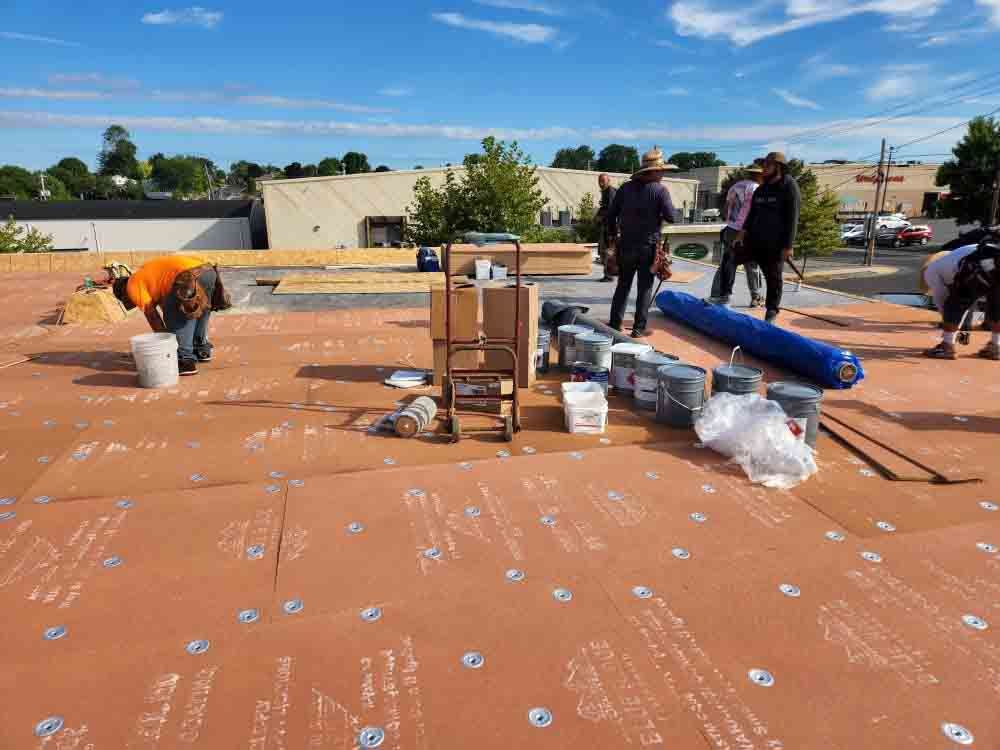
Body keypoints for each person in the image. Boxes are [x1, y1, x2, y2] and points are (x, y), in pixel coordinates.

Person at [718, 151, 800, 323]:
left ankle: (771, 312)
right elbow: (752, 214)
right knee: (730, 257)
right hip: (754, 240)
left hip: (775, 244)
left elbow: (793, 216)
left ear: (777, 167)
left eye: (767, 165)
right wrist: (742, 233)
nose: (763, 169)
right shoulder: (761, 189)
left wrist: (788, 246)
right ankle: (724, 297)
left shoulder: (788, 186)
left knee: (774, 278)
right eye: (763, 165)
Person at [606, 147, 677, 338]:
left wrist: (613, 238)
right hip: (648, 247)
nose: (663, 174)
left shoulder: (624, 188)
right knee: (645, 288)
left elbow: (610, 216)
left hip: (626, 245)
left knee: (623, 285)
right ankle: (638, 328)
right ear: (653, 171)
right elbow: (672, 217)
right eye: (661, 170)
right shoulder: (660, 191)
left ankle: (614, 324)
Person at [112, 255, 220, 376]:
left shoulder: (132, 285)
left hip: (187, 276)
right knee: (200, 310)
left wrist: (165, 345)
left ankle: (184, 361)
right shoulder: (147, 277)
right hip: (208, 272)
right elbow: (167, 303)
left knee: (176, 317)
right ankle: (201, 350)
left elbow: (153, 316)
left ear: (124, 293)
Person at [923, 238, 1000, 360]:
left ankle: (947, 347)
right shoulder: (955, 254)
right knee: (997, 307)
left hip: (980, 268)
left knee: (954, 304)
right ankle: (996, 347)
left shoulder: (930, 271)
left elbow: (942, 302)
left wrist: (951, 329)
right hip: (994, 265)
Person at [708, 160, 765, 307]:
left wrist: (729, 221)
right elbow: (752, 212)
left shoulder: (736, 186)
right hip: (746, 230)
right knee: (752, 264)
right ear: (759, 175)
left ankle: (717, 294)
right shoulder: (756, 189)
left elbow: (726, 207)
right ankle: (756, 296)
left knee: (727, 263)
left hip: (731, 229)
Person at [596, 173, 618, 282]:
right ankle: (610, 273)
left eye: (603, 181)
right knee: (606, 251)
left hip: (610, 227)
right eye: (599, 181)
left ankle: (609, 275)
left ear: (608, 181)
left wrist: (601, 217)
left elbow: (611, 210)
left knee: (608, 252)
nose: (600, 183)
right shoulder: (605, 192)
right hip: (607, 226)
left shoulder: (610, 192)